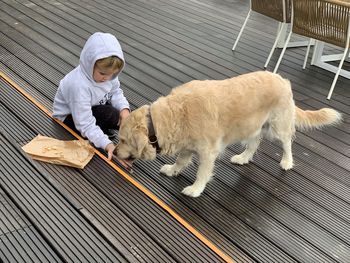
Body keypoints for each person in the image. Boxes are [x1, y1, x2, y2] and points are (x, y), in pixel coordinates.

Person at [53, 32, 132, 168]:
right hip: (68, 120)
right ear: (90, 63)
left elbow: (116, 93)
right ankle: (101, 133)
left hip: (93, 107)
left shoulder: (108, 75)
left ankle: (115, 130)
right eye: (102, 73)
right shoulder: (78, 85)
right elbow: (85, 124)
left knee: (121, 115)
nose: (107, 78)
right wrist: (108, 145)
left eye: (112, 74)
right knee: (109, 114)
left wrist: (125, 112)